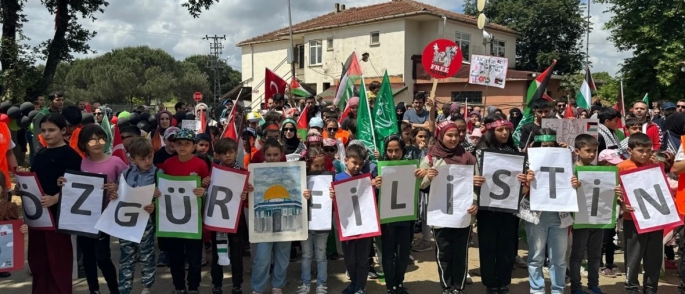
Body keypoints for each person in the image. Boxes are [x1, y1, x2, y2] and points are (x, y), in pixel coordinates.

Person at [419, 120, 483, 294]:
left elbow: (476, 185)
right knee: (444, 252)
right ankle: (447, 287)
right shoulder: (431, 157)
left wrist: (475, 203)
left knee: (461, 252)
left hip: (462, 215)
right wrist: (429, 176)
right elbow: (420, 185)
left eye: (456, 135)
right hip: (440, 214)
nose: (454, 138)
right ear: (441, 135)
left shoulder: (468, 157)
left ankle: (458, 287)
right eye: (449, 135)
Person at [65, 124, 128, 294]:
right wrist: (64, 183)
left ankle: (114, 289)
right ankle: (94, 289)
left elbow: (130, 183)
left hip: (105, 217)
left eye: (100, 138)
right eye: (91, 140)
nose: (97, 143)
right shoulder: (81, 163)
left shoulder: (116, 162)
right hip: (84, 219)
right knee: (88, 258)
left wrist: (116, 188)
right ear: (84, 144)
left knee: (102, 257)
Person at [25, 113, 81, 294]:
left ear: (63, 131)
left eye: (51, 130)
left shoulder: (71, 156)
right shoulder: (40, 153)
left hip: (59, 217)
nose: (47, 134)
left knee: (58, 261)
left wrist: (56, 198)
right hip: (38, 216)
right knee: (39, 260)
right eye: (43, 131)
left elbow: (79, 186)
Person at [520, 128, 579, 294]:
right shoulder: (527, 164)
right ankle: (537, 289)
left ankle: (558, 290)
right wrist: (527, 183)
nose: (547, 149)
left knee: (559, 259)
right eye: (544, 145)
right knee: (536, 256)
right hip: (536, 216)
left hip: (559, 216)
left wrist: (575, 183)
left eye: (551, 145)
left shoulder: (566, 162)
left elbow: (574, 185)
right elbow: (521, 194)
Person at [157, 128, 210, 294]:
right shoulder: (168, 164)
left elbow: (208, 186)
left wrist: (204, 190)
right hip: (172, 221)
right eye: (179, 143)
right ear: (173, 145)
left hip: (193, 220)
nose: (182, 147)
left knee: (194, 259)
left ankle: (193, 287)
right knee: (175, 258)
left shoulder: (201, 165)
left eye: (187, 144)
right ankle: (179, 287)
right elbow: (161, 186)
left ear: (193, 146)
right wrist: (157, 192)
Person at [474, 114, 522, 294]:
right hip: (487, 208)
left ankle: (503, 281)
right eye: (500, 130)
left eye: (507, 130)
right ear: (491, 132)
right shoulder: (479, 152)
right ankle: (490, 283)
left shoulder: (514, 152)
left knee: (507, 246)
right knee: (488, 246)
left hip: (509, 209)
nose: (504, 133)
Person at [569, 134, 622, 294]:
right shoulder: (571, 170)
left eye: (594, 150)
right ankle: (576, 286)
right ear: (577, 151)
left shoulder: (602, 170)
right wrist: (573, 186)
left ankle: (594, 284)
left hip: (599, 218)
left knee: (595, 255)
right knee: (577, 255)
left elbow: (607, 193)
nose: (592, 154)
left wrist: (615, 192)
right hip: (580, 219)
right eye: (588, 150)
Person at [373, 135, 421, 294]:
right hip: (387, 219)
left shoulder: (412, 167)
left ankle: (399, 282)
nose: (393, 154)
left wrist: (422, 175)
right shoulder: (378, 167)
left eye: (396, 150)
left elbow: (421, 187)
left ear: (403, 150)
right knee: (388, 254)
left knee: (403, 254)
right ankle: (390, 285)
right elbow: (368, 193)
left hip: (406, 218)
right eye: (389, 151)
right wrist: (374, 184)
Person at [617, 133, 662, 294]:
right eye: (641, 150)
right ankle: (632, 288)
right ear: (630, 150)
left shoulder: (655, 165)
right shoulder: (622, 167)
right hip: (633, 219)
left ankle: (651, 288)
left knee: (654, 257)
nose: (645, 154)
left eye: (648, 150)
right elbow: (615, 192)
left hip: (656, 218)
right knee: (634, 256)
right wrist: (622, 204)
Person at [117, 138, 158, 294]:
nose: (147, 161)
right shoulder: (125, 173)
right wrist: (114, 193)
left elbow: (165, 199)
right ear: (132, 159)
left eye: (150, 157)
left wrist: (155, 204)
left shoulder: (158, 174)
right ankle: (124, 288)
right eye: (142, 159)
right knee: (126, 256)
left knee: (146, 255)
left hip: (145, 222)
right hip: (126, 221)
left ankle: (146, 286)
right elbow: (119, 194)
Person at [212, 138, 252, 294]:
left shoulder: (242, 173)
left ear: (236, 152)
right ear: (217, 155)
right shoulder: (214, 171)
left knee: (237, 254)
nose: (227, 156)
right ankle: (217, 284)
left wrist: (246, 194)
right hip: (218, 219)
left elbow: (248, 198)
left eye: (230, 152)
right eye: (223, 154)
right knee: (217, 253)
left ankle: (237, 284)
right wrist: (206, 183)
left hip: (236, 220)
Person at [250, 138, 291, 294]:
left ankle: (277, 285)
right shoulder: (256, 171)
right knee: (262, 257)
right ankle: (257, 288)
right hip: (264, 220)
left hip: (285, 219)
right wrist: (249, 188)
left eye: (275, 154)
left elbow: (298, 190)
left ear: (281, 154)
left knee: (282, 255)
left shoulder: (290, 171)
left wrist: (304, 194)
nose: (272, 158)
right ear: (263, 155)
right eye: (269, 155)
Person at [333, 144, 374, 294]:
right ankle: (353, 283)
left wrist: (375, 186)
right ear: (346, 160)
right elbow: (334, 204)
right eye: (354, 162)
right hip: (347, 225)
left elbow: (371, 200)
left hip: (364, 225)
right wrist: (332, 196)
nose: (357, 166)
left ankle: (360, 286)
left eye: (360, 163)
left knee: (363, 258)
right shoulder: (337, 178)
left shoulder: (367, 179)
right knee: (349, 258)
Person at [298, 147, 329, 294]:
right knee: (306, 255)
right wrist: (302, 195)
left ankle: (321, 284)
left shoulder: (328, 179)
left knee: (321, 255)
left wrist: (332, 195)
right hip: (306, 223)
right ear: (308, 165)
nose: (319, 168)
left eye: (322, 165)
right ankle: (305, 283)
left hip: (322, 224)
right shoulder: (301, 180)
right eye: (316, 165)